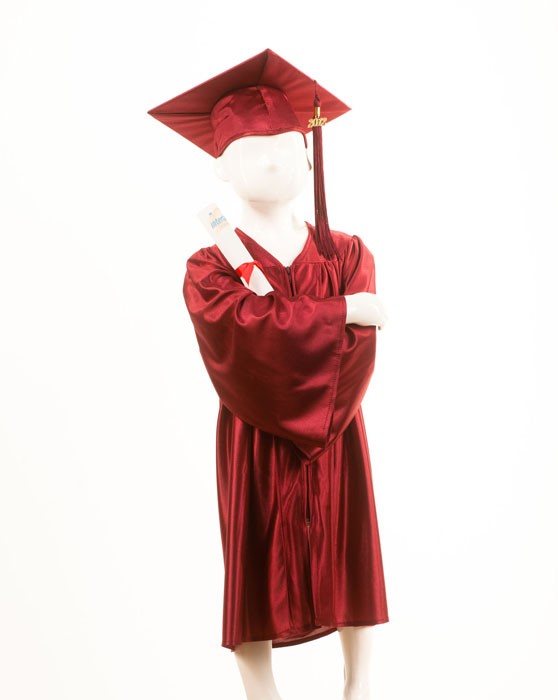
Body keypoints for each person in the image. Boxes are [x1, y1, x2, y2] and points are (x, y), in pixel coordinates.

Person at [148, 49, 389, 700]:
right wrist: (340, 310)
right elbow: (244, 341)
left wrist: (313, 336)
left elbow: (355, 354)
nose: (277, 159)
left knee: (348, 547)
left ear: (309, 155)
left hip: (337, 433)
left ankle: (360, 686)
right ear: (222, 166)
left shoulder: (348, 254)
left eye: (287, 144)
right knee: (255, 558)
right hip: (253, 437)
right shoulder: (210, 268)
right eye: (255, 148)